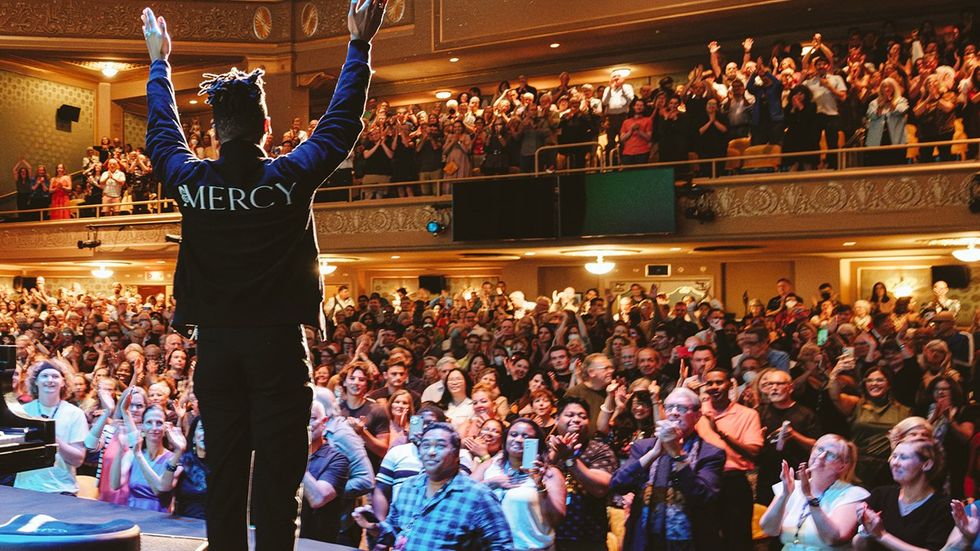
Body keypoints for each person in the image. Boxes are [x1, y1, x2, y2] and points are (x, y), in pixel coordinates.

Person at [140, 1, 386, 546]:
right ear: (268, 127)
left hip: (219, 352)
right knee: (278, 486)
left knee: (225, 478)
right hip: (278, 350)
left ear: (214, 134)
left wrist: (159, 64)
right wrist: (358, 48)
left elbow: (161, 135)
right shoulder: (290, 174)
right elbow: (341, 126)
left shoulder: (192, 179)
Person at [352, 422, 513, 550]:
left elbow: (502, 546)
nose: (431, 452)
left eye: (440, 446)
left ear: (457, 454)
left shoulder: (477, 496)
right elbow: (395, 534)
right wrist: (374, 527)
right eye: (426, 445)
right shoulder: (409, 487)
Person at [609, 387, 725, 550]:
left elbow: (703, 497)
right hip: (644, 539)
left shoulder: (710, 453)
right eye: (670, 407)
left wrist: (678, 455)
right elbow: (617, 484)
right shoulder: (643, 447)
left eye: (682, 408)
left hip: (692, 539)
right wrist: (654, 453)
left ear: (698, 416)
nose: (674, 412)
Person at [760, 434, 868, 550]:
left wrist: (809, 497)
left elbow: (832, 538)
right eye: (820, 449)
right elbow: (769, 529)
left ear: (842, 466)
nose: (821, 457)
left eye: (831, 455)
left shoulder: (852, 494)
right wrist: (785, 495)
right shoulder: (792, 487)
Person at [472, 418, 566, 550]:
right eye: (514, 434)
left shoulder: (549, 473)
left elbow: (557, 519)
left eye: (526, 436)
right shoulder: (491, 465)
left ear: (536, 443)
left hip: (531, 547)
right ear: (505, 439)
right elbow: (465, 496)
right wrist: (490, 483)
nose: (519, 440)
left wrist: (540, 485)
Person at [696, 366, 764, 551]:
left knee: (738, 539)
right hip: (703, 482)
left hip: (733, 482)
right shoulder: (697, 413)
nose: (714, 387)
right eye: (709, 383)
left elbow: (753, 453)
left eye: (719, 382)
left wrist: (720, 433)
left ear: (730, 385)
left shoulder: (747, 414)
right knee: (705, 539)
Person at [854, 436, 954, 550]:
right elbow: (859, 546)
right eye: (894, 456)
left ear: (927, 464)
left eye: (903, 457)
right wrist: (866, 530)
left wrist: (882, 535)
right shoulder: (880, 495)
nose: (895, 463)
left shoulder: (942, 508)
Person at [547, 397, 618, 551]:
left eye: (582, 416)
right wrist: (553, 457)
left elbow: (600, 488)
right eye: (570, 415)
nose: (576, 419)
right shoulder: (543, 450)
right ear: (557, 419)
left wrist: (569, 458)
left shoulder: (600, 450)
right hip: (546, 536)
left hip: (588, 537)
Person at [14, 360, 89, 495]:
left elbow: (78, 460)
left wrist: (52, 437)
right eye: (44, 376)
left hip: (61, 489)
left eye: (55, 376)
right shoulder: (22, 411)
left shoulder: (75, 413)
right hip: (25, 488)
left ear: (63, 382)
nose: (50, 380)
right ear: (35, 381)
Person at [109, 400, 185, 512]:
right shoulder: (132, 455)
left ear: (165, 428)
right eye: (149, 422)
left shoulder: (174, 459)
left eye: (159, 423)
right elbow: (115, 485)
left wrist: (138, 455)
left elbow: (159, 490)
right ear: (142, 427)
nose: (154, 428)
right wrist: (120, 448)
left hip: (159, 522)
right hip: (132, 516)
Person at [300, 401, 349, 544]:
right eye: (302, 418)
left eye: (312, 418)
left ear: (324, 422)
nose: (306, 424)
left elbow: (318, 498)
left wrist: (294, 459)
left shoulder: (336, 460)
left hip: (316, 542)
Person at [175, 416, 209, 519]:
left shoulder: (220, 465)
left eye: (209, 429)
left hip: (213, 524)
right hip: (185, 525)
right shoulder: (184, 461)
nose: (206, 434)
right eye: (202, 428)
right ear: (194, 436)